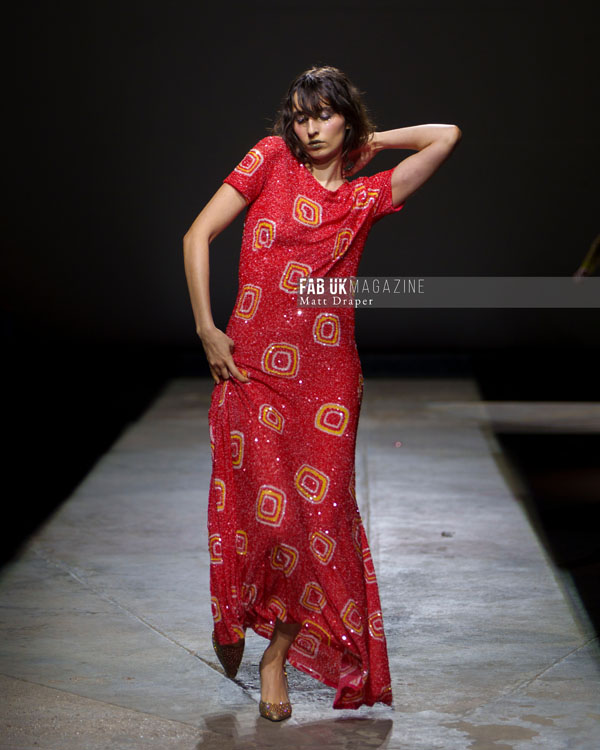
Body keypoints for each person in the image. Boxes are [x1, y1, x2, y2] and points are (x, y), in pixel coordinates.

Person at [183, 65, 461, 721]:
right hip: (252, 371)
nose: (309, 129)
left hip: (329, 382)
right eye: (301, 116)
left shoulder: (364, 198)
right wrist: (206, 329)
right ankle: (235, 610)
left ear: (346, 120)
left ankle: (275, 655)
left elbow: (446, 135)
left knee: (320, 524)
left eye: (324, 115)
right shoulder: (270, 159)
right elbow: (197, 235)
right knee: (269, 517)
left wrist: (367, 141)